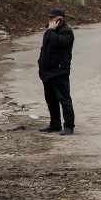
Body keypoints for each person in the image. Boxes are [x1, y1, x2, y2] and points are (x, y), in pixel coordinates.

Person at [37, 7, 75, 136]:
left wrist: (51, 31)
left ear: (61, 19)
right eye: (49, 17)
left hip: (59, 71)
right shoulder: (49, 31)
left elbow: (57, 42)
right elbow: (44, 50)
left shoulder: (66, 32)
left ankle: (69, 126)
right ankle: (55, 124)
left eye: (53, 17)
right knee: (51, 100)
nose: (50, 19)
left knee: (64, 99)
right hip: (47, 72)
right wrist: (41, 66)